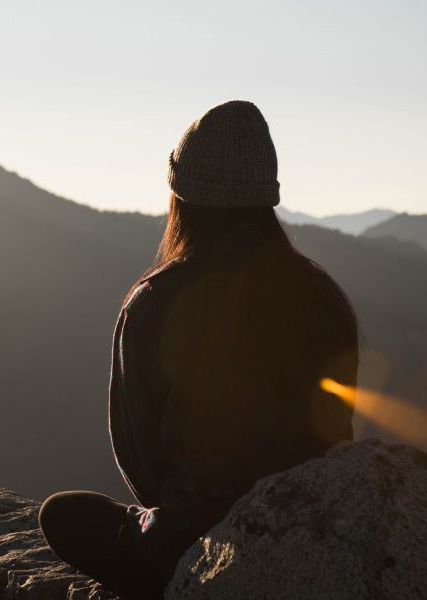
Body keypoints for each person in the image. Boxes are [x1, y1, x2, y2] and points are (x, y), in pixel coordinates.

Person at [39, 100, 359, 599]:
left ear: (182, 198)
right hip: (310, 532)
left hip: (196, 545)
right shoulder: (323, 298)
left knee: (64, 514)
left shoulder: (154, 303)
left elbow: (138, 454)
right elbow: (337, 432)